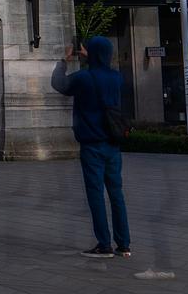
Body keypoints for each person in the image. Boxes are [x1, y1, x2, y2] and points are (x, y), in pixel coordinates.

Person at [52, 37, 131, 258]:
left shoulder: (83, 77)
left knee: (95, 193)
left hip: (91, 144)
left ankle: (104, 243)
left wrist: (64, 60)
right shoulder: (116, 77)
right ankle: (124, 244)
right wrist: (93, 57)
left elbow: (59, 84)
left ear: (92, 53)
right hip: (113, 143)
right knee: (116, 193)